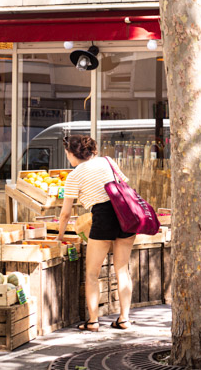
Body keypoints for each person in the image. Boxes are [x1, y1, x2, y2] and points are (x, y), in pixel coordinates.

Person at [58, 134, 135, 332]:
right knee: (122, 269)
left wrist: (59, 237)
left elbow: (66, 213)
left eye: (67, 154)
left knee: (92, 273)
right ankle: (124, 319)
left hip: (103, 217)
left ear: (72, 154)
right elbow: (124, 186)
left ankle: (93, 321)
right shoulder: (108, 161)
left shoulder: (74, 176)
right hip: (125, 214)